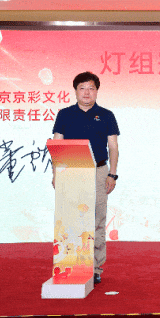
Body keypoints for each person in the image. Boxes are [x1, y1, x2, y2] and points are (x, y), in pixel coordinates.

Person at [52, 72, 119, 285]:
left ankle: (95, 268)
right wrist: (55, 174)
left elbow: (113, 147)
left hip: (99, 172)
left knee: (97, 221)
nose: (87, 92)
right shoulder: (64, 114)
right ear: (75, 91)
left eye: (91, 88)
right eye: (82, 88)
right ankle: (70, 264)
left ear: (97, 91)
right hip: (71, 172)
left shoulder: (106, 115)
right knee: (70, 220)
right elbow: (57, 144)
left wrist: (112, 174)